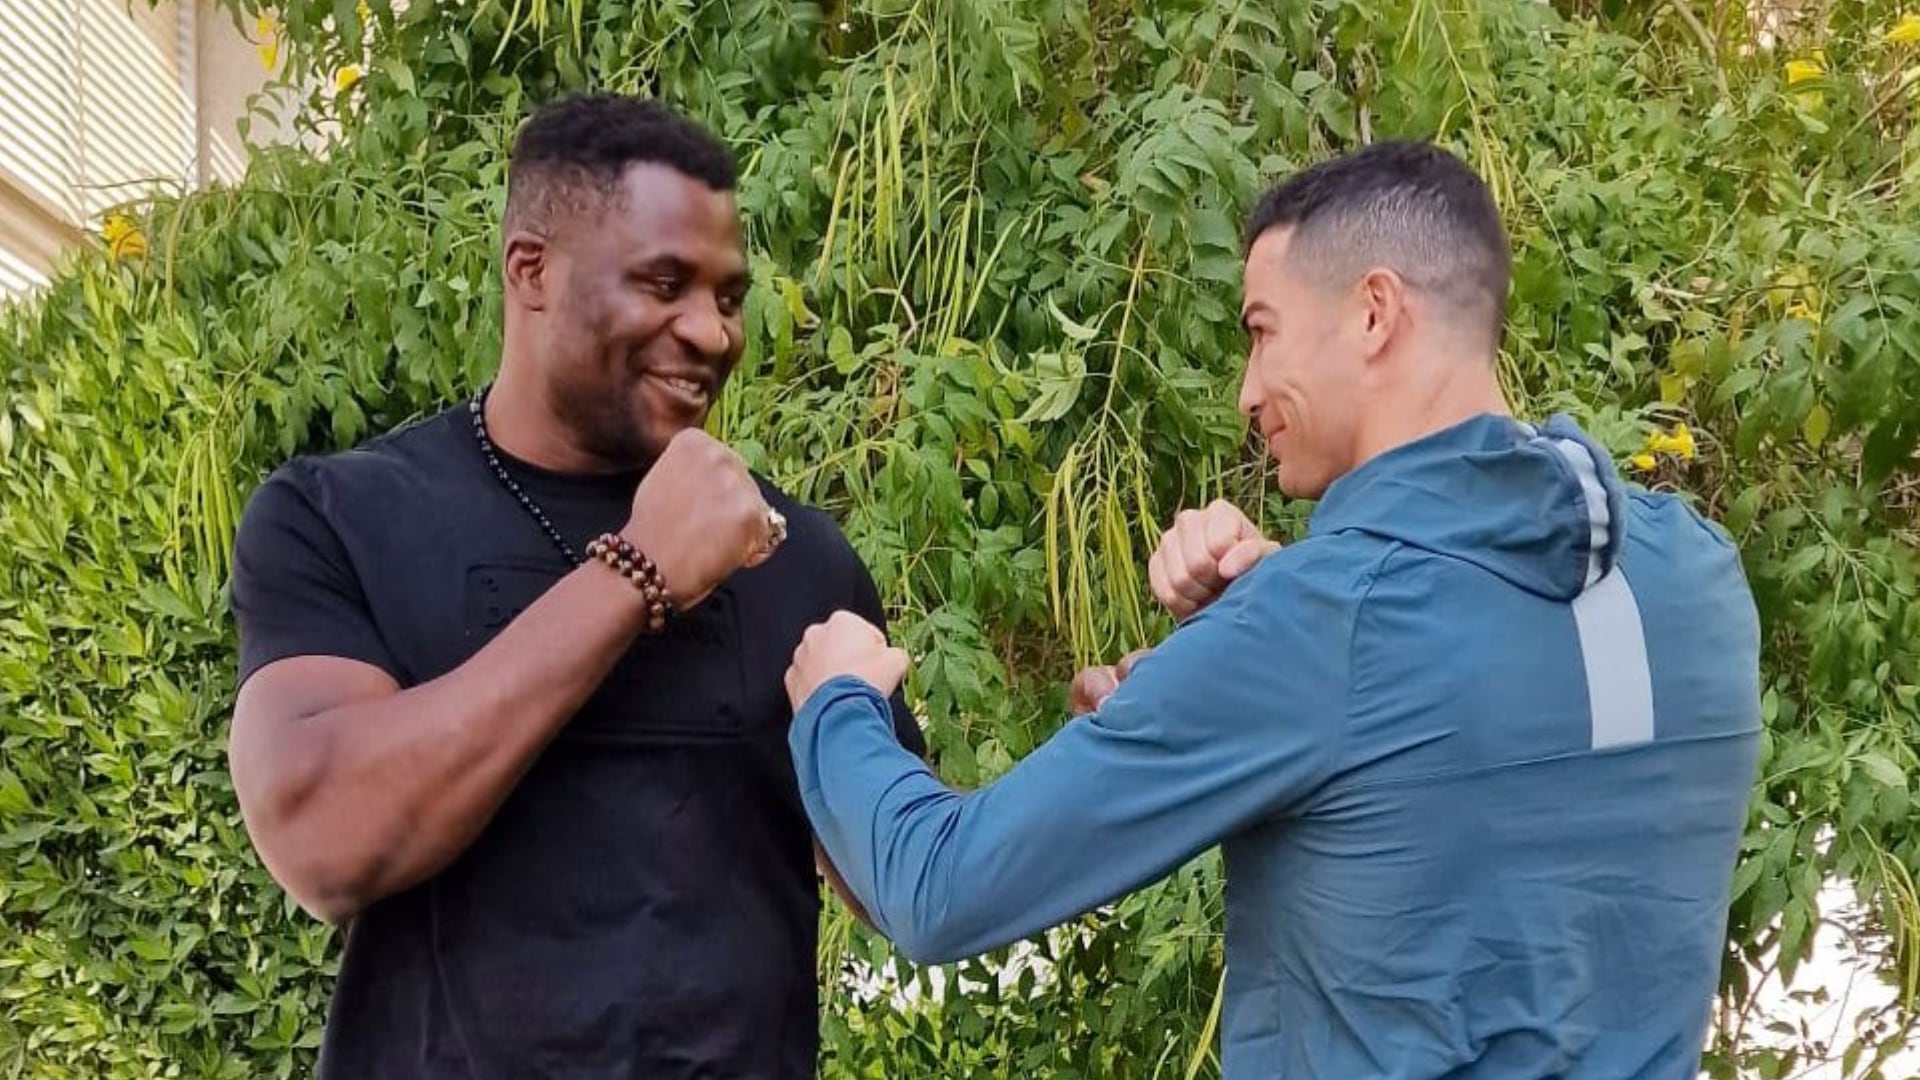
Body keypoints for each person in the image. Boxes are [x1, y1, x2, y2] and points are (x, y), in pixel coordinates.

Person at [783, 140, 1760, 1079]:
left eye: (1261, 331)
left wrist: (836, 706)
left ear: (1374, 314)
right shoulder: (1699, 574)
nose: (1248, 392)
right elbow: (1488, 777)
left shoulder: (1320, 625)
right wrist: (1228, 654)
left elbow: (938, 889)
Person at [226, 93, 923, 1078]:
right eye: (664, 283)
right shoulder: (341, 516)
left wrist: (1130, 722)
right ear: (532, 270)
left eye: (728, 297)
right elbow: (324, 840)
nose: (714, 333)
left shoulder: (795, 553)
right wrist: (639, 574)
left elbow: (903, 882)